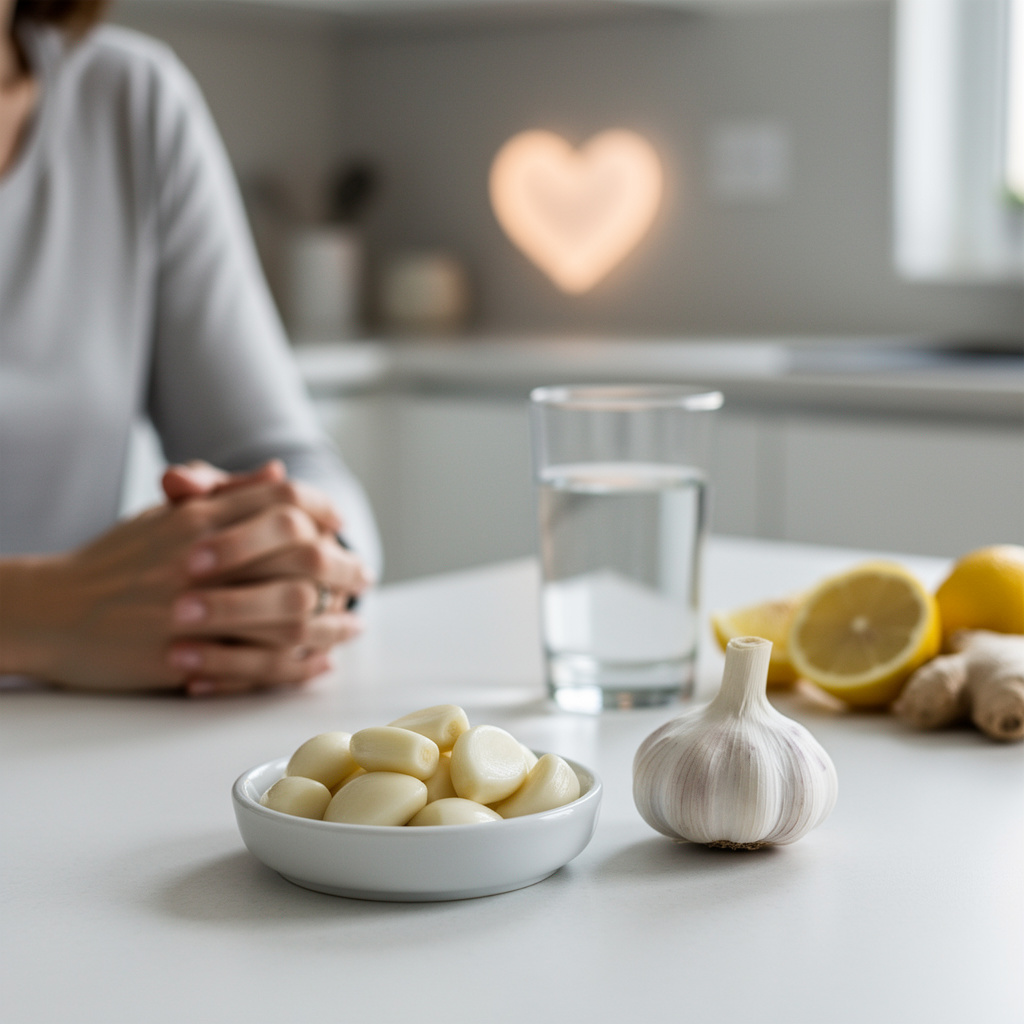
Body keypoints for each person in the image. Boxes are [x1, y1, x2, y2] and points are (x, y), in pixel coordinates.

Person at [0, 0, 380, 697]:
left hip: (73, 749)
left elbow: (290, 465)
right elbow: (63, 611)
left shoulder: (129, 101)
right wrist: (42, 613)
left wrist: (284, 568)